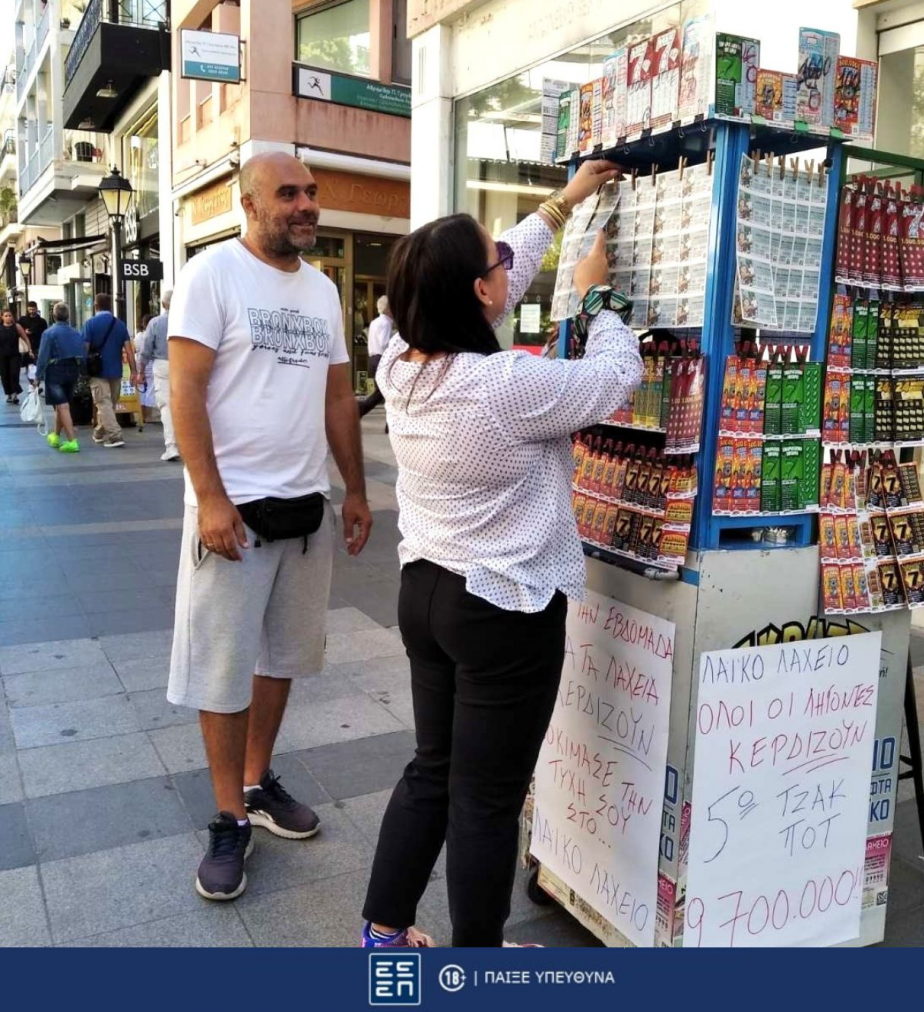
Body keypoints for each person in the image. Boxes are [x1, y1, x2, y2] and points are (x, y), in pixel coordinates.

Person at [359, 159, 640, 948]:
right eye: (497, 263)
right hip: (502, 609)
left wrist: (564, 203)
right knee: (486, 797)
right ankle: (477, 964)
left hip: (426, 594)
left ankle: (383, 930)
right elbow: (615, 376)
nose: (507, 267)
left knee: (431, 770)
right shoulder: (505, 386)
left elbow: (495, 276)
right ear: (479, 294)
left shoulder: (398, 359)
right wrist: (597, 299)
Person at [167, 151, 374, 902]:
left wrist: (353, 489)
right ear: (248, 202)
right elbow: (183, 391)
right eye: (288, 193)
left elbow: (337, 398)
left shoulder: (322, 291)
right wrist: (211, 497)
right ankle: (228, 818)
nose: (306, 204)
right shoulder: (212, 276)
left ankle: (256, 784)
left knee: (282, 657)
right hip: (232, 513)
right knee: (223, 670)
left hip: (304, 508)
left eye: (312, 193)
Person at [81, 293, 139, 448]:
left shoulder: (90, 324)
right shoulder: (119, 324)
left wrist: (82, 368)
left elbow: (84, 349)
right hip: (116, 371)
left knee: (103, 403)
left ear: (95, 305)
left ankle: (115, 435)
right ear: (110, 306)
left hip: (97, 371)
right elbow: (129, 350)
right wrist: (134, 371)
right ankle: (99, 432)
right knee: (108, 404)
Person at [36, 302, 85, 453]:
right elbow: (82, 353)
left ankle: (72, 441)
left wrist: (37, 376)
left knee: (62, 406)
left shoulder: (49, 333)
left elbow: (43, 356)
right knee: (61, 404)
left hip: (55, 370)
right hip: (72, 369)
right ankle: (56, 436)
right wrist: (83, 371)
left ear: (54, 315)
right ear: (68, 316)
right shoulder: (76, 332)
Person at [139, 292, 178, 461]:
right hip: (185, 364)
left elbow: (146, 349)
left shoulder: (155, 323)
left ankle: (172, 446)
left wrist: (140, 370)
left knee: (166, 406)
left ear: (163, 304)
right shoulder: (188, 320)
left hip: (162, 364)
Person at [358, 295, 393, 418]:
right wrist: (394, 342)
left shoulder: (374, 322)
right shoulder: (386, 323)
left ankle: (362, 409)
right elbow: (384, 343)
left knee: (383, 391)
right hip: (381, 359)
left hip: (372, 358)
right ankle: (361, 408)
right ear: (388, 309)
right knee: (384, 392)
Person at [0, 308, 28, 403]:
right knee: (4, 375)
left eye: (10, 315)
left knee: (14, 374)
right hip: (2, 356)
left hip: (15, 355)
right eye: (6, 316)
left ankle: (14, 395)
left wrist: (30, 349)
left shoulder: (17, 327)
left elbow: (25, 338)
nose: (8, 318)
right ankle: (8, 394)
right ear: (2, 317)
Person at [20, 300, 47, 390]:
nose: (31, 311)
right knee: (29, 367)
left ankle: (35, 385)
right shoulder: (23, 320)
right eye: (30, 309)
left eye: (33, 309)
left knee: (36, 366)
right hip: (26, 347)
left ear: (36, 309)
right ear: (28, 309)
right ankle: (34, 385)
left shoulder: (42, 321)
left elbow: (45, 334)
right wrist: (24, 331)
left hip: (38, 346)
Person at [135, 313, 157, 416]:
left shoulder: (138, 337)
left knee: (141, 391)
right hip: (151, 365)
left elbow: (135, 349)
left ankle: (142, 414)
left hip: (140, 364)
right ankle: (150, 414)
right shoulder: (153, 335)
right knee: (151, 390)